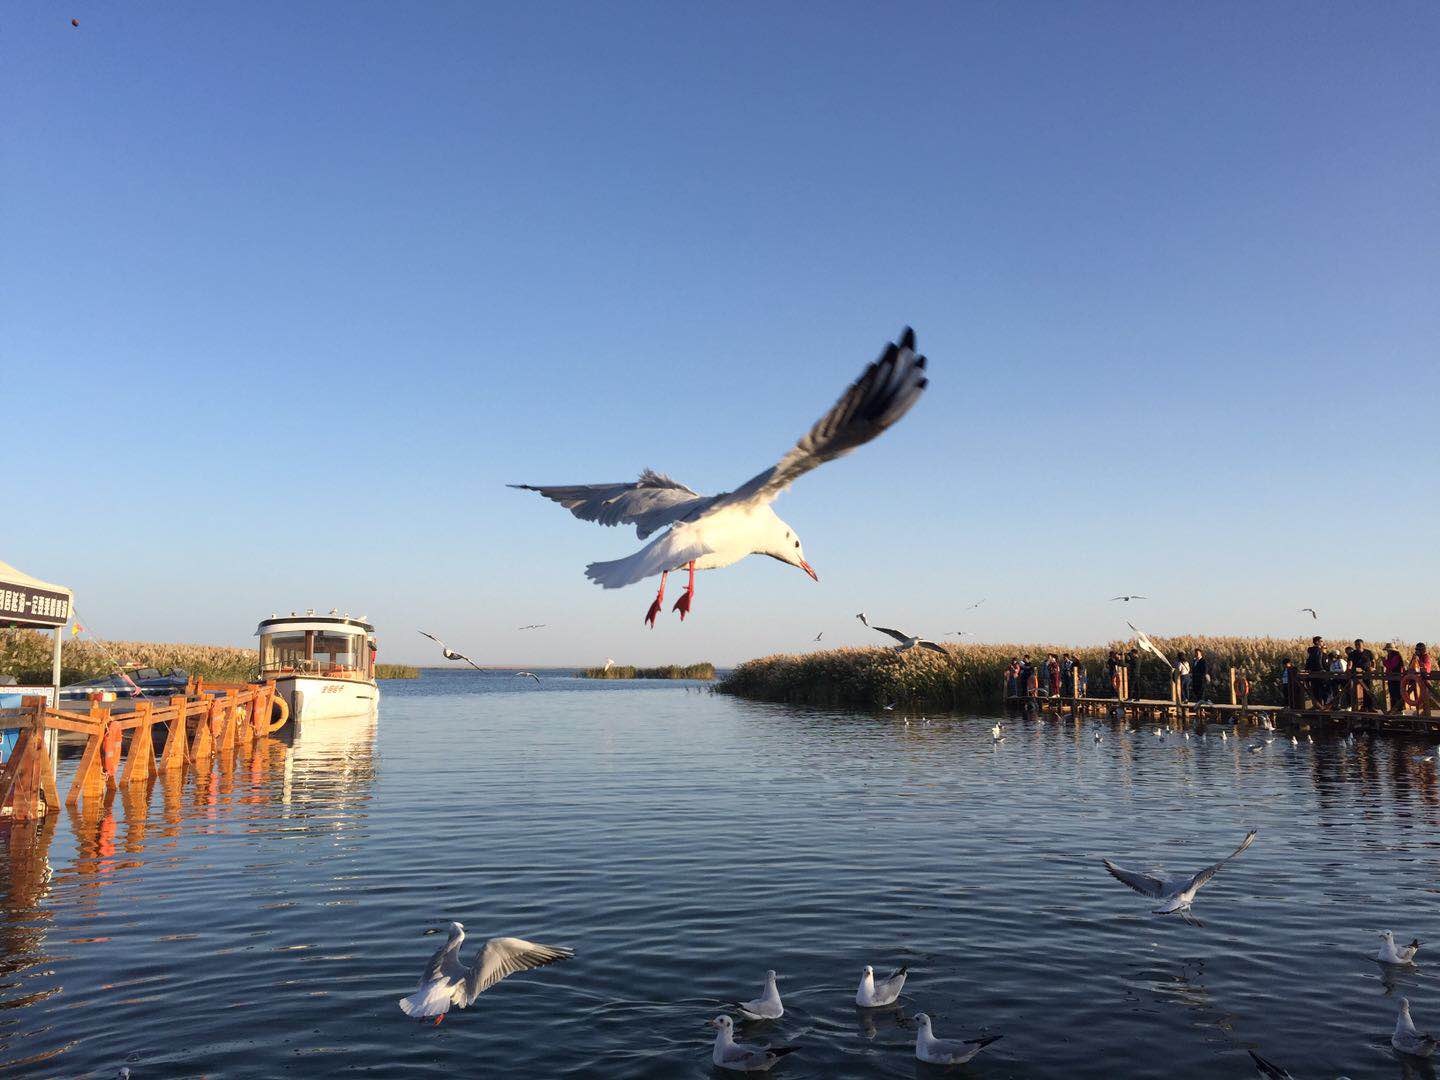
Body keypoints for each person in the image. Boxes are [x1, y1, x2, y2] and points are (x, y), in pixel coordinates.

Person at [1347, 638, 1375, 711]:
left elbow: (1373, 662)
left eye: (1359, 644)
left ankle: (1370, 707)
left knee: (1368, 690)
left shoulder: (1368, 652)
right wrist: (1349, 670)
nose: (1357, 646)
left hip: (1367, 673)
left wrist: (1372, 668)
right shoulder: (1352, 654)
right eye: (1356, 645)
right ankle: (1361, 707)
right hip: (1356, 675)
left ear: (1363, 645)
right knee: (1356, 691)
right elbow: (1350, 663)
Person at [1407, 643, 1433, 714]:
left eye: (1419, 650)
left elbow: (1426, 668)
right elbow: (1410, 667)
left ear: (1423, 650)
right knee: (1418, 698)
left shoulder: (1426, 657)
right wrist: (1413, 659)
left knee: (1425, 698)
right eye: (1416, 650)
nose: (1417, 651)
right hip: (1416, 680)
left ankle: (1426, 713)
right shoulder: (1416, 657)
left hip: (1424, 681)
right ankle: (1419, 712)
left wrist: (1419, 660)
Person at [1303, 635, 1326, 707]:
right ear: (1317, 642)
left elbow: (1309, 661)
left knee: (1315, 690)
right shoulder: (1318, 650)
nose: (1323, 643)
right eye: (1321, 641)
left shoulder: (1311, 651)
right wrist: (1321, 669)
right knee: (1320, 690)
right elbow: (1318, 661)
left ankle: (1317, 705)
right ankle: (1320, 706)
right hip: (1317, 673)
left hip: (1311, 672)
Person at [1384, 644, 1405, 713]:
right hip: (1392, 677)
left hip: (1397, 677)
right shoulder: (1390, 656)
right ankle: (1394, 709)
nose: (1387, 651)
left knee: (1397, 693)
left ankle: (1400, 709)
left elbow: (1391, 666)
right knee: (1392, 693)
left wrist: (1384, 661)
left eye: (1388, 650)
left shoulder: (1396, 656)